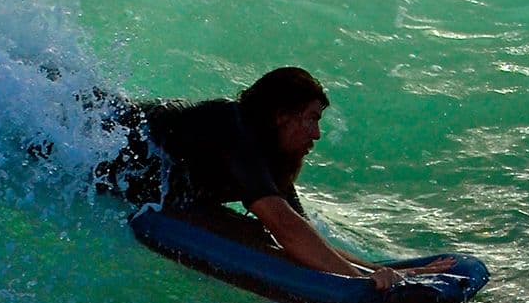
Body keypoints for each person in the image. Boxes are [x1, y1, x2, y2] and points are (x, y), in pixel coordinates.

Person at [94, 67, 452, 291]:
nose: (316, 135)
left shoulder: (266, 155)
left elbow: (301, 235)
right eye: (311, 119)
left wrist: (383, 270)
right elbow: (285, 229)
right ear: (282, 116)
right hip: (90, 128)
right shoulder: (234, 131)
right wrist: (362, 282)